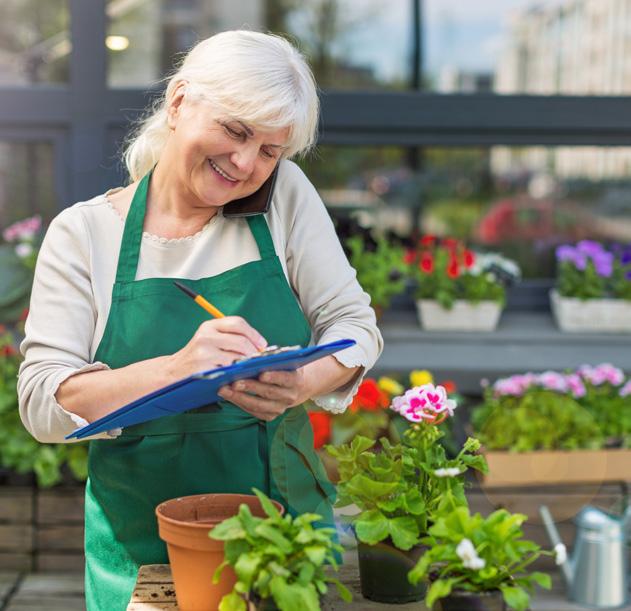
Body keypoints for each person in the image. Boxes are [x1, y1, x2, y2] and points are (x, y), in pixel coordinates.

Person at [17, 30, 382, 610]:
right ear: (180, 101)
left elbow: (355, 327)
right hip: (142, 553)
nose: (245, 164)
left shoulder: (282, 198)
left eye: (269, 150)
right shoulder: (85, 234)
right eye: (236, 131)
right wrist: (176, 370)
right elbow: (42, 402)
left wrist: (300, 385)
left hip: (284, 542)